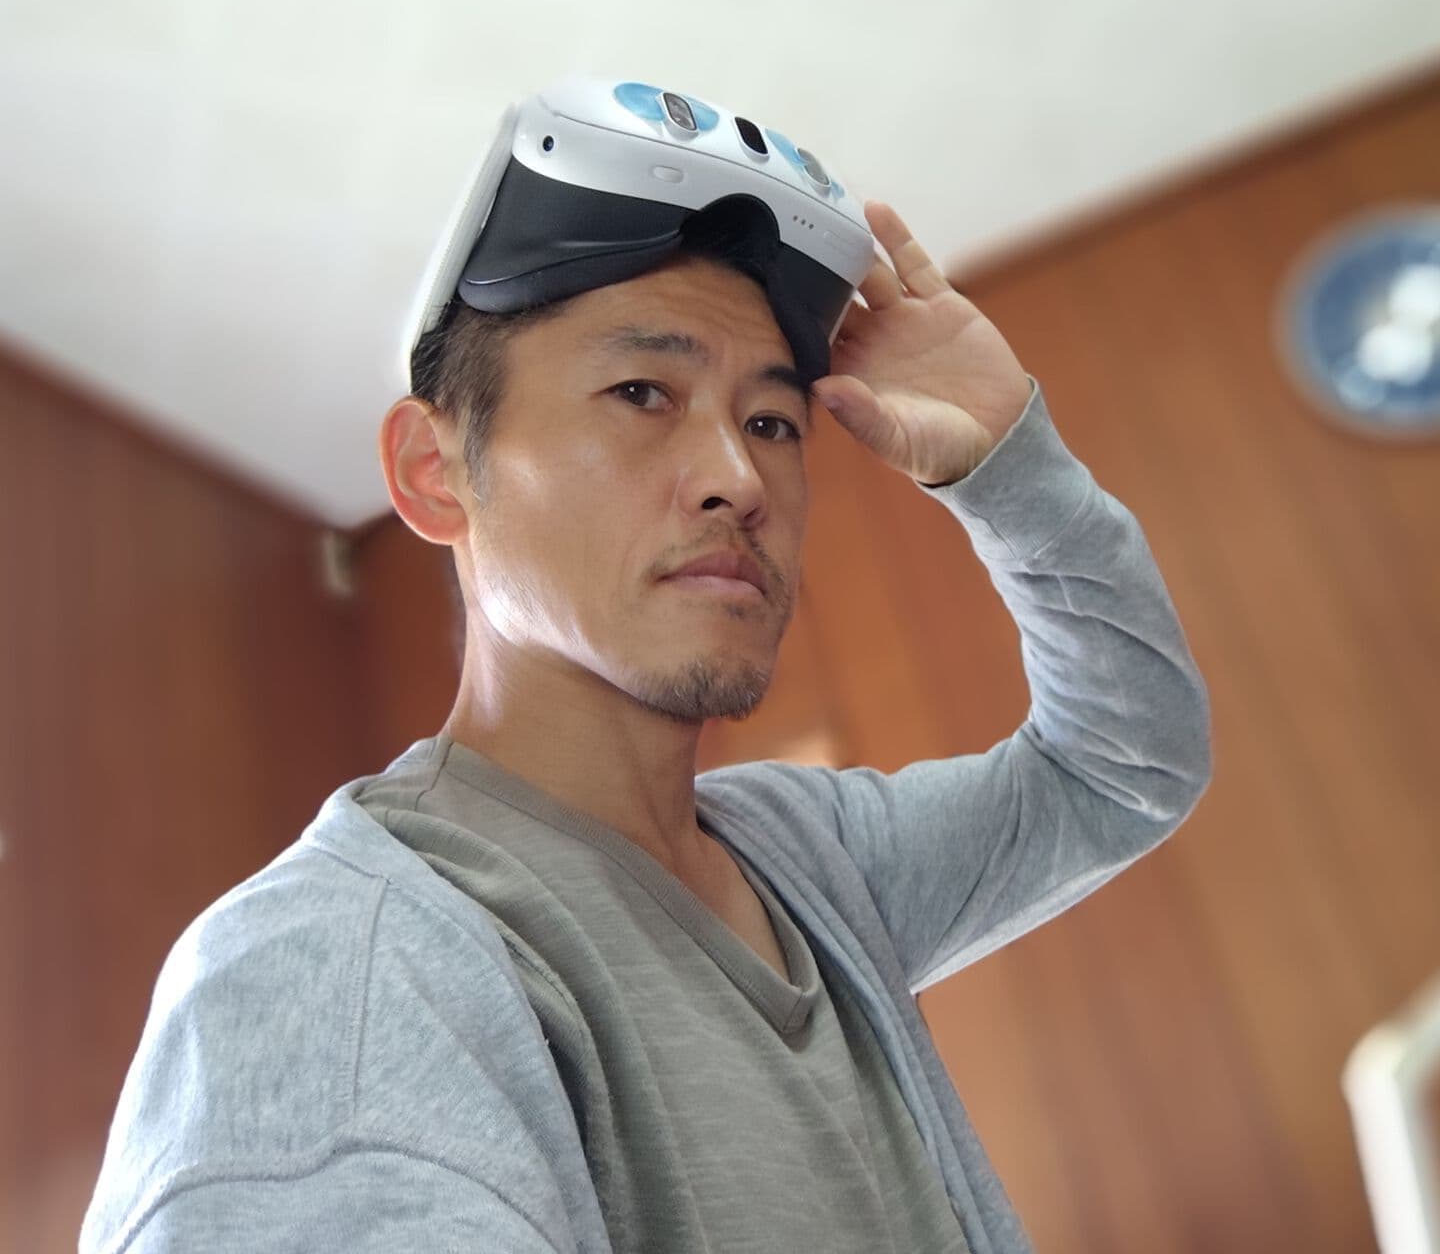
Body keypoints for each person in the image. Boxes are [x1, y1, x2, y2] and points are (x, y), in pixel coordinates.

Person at [81, 194, 1211, 1253]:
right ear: (435, 471)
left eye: (770, 421)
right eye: (641, 394)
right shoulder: (341, 966)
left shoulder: (806, 857)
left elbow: (1122, 766)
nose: (739, 477)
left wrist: (1011, 469)